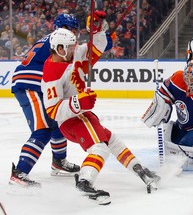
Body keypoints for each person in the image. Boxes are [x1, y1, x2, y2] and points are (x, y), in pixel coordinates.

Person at [41, 28, 160, 205]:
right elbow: (53, 110)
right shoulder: (51, 73)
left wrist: (97, 29)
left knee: (112, 140)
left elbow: (99, 45)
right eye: (69, 48)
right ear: (59, 49)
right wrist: (78, 102)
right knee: (100, 148)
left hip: (82, 115)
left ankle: (140, 169)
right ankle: (84, 183)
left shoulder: (73, 54)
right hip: (71, 120)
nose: (75, 50)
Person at [10, 14, 81, 188]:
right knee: (42, 130)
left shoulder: (52, 39)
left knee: (57, 121)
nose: (74, 33)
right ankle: (19, 173)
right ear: (65, 27)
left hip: (35, 84)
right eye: (73, 29)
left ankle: (58, 161)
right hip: (30, 85)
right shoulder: (60, 40)